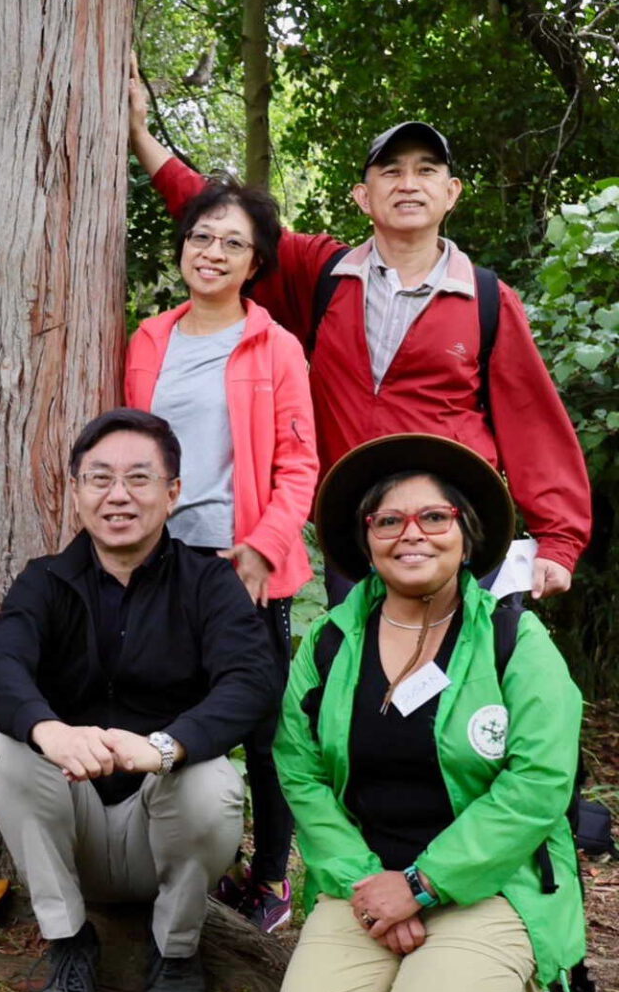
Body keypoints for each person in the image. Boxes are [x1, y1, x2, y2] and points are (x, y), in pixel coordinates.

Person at [127, 64, 590, 602]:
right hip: (358, 528)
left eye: (426, 171)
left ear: (452, 193)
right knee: (365, 678)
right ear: (363, 197)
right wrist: (140, 136)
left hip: (451, 532)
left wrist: (560, 541)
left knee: (459, 679)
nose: (409, 184)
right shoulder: (323, 276)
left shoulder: (485, 299)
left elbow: (532, 421)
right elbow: (222, 220)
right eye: (390, 172)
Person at [273, 433, 584, 992]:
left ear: (464, 535)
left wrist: (421, 885)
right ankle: (424, 984)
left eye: (434, 517)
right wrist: (368, 884)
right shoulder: (331, 644)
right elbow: (299, 770)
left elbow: (539, 785)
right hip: (366, 878)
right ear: (368, 539)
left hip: (493, 879)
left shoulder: (511, 640)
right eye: (389, 519)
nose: (411, 534)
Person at [0, 409, 279, 992]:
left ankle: (176, 950)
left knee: (211, 779)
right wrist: (51, 731)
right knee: (7, 745)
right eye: (100, 478)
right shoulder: (45, 582)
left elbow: (251, 680)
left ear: (172, 493)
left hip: (161, 825)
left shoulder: (209, 584)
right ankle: (68, 944)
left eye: (139, 478)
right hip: (73, 827)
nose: (118, 495)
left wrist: (166, 747)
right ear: (77, 493)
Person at [123, 176, 319, 933]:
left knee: (264, 729)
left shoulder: (275, 347)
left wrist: (265, 548)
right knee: (164, 713)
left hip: (242, 565)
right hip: (159, 562)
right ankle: (167, 865)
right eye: (201, 236)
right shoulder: (149, 339)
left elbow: (300, 464)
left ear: (256, 261)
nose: (212, 252)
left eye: (232, 242)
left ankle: (269, 878)